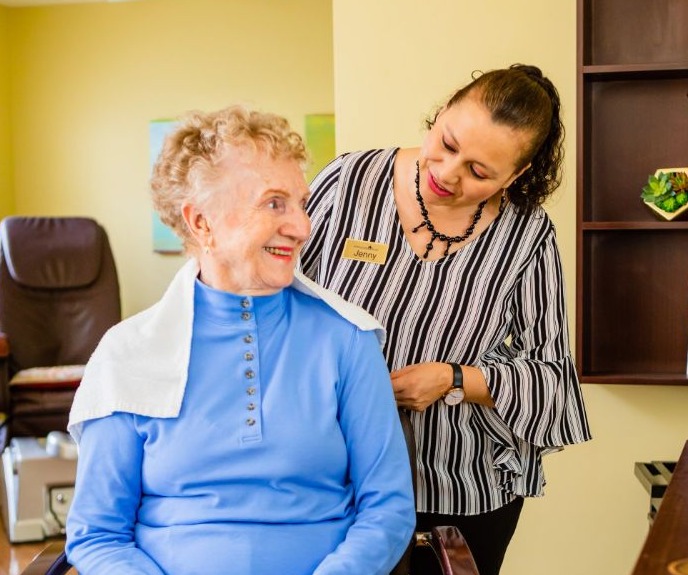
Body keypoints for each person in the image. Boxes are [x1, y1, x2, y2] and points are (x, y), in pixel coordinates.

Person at [65, 105, 416, 575]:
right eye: (275, 203)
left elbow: (388, 510)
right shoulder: (127, 355)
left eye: (301, 203)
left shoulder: (347, 339)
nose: (303, 227)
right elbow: (98, 534)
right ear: (201, 223)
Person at [299, 63, 592, 575]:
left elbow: (552, 380)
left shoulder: (527, 236)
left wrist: (454, 379)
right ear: (440, 114)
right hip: (330, 472)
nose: (448, 174)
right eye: (447, 142)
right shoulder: (348, 182)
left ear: (517, 174)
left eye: (480, 172)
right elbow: (271, 302)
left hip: (458, 487)